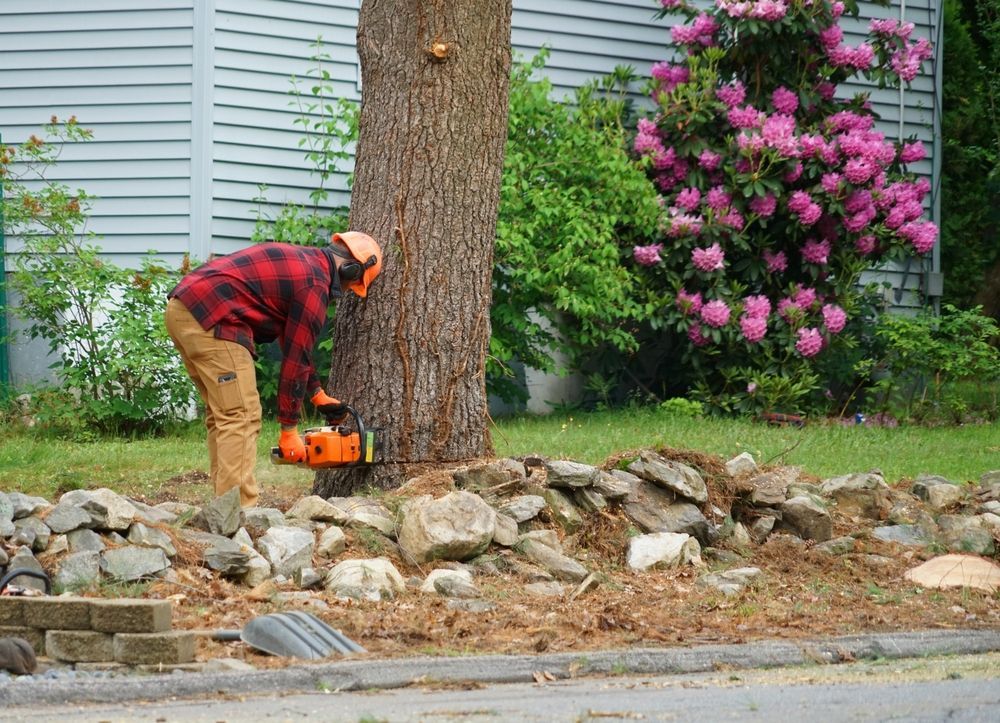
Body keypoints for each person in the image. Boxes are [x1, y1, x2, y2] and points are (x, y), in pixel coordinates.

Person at [165, 231, 382, 508]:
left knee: (223, 415)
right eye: (353, 284)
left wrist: (316, 394)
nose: (349, 291)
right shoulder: (314, 285)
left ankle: (223, 506)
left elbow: (294, 342)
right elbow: (295, 359)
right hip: (214, 319)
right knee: (241, 415)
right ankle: (238, 512)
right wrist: (289, 430)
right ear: (351, 268)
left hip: (184, 309)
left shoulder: (306, 264)